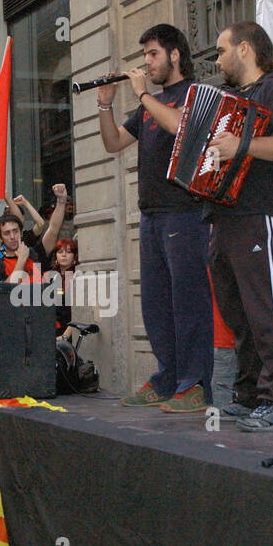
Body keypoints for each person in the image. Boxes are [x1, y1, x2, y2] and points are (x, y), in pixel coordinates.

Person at [165, 20, 273, 431]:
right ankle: (249, 395)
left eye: (222, 50)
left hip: (262, 214)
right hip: (222, 217)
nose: (218, 58)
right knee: (238, 313)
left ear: (245, 49)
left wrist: (240, 145)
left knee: (267, 307)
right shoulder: (226, 98)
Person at [97, 23, 212, 413]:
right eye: (144, 55)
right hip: (152, 216)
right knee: (156, 305)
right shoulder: (147, 106)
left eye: (153, 54)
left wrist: (143, 94)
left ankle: (193, 384)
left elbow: (179, 126)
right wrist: (105, 104)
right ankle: (167, 378)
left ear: (175, 55)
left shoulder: (193, 95)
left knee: (188, 303)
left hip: (185, 212)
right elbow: (114, 143)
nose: (146, 62)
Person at [0, 186, 68, 283]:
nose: (12, 236)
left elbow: (53, 230)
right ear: (0, 237)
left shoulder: (34, 254)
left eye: (15, 231)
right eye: (7, 233)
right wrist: (21, 260)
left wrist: (61, 201)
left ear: (21, 233)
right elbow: (5, 292)